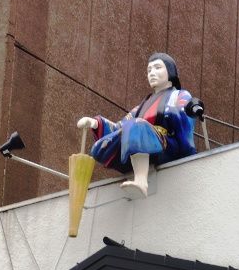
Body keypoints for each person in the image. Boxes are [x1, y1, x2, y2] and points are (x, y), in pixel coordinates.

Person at [77, 52, 196, 198]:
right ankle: (135, 162)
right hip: (142, 134)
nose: (152, 73)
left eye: (158, 68)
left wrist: (172, 112)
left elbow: (185, 117)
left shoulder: (179, 96)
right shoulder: (142, 106)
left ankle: (141, 181)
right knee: (109, 141)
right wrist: (95, 123)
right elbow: (120, 126)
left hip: (167, 144)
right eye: (149, 70)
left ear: (170, 71)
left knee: (137, 126)